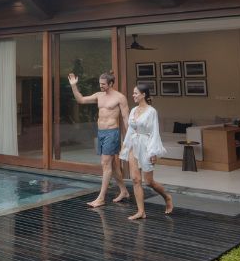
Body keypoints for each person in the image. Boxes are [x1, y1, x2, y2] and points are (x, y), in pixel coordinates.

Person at [68, 71, 131, 208]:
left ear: (111, 83)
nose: (101, 86)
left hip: (112, 133)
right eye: (100, 84)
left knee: (105, 163)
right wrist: (73, 86)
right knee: (113, 165)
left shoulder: (120, 98)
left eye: (103, 84)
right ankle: (124, 191)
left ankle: (101, 198)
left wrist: (129, 139)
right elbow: (81, 100)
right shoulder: (99, 95)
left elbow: (126, 119)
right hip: (101, 132)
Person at [120, 82, 174, 220]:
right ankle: (141, 212)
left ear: (143, 95)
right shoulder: (133, 110)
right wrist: (125, 146)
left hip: (146, 145)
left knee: (149, 181)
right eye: (133, 93)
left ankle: (167, 197)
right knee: (135, 179)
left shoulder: (151, 111)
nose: (133, 95)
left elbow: (155, 133)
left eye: (136, 93)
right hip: (134, 144)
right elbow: (130, 130)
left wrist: (153, 152)